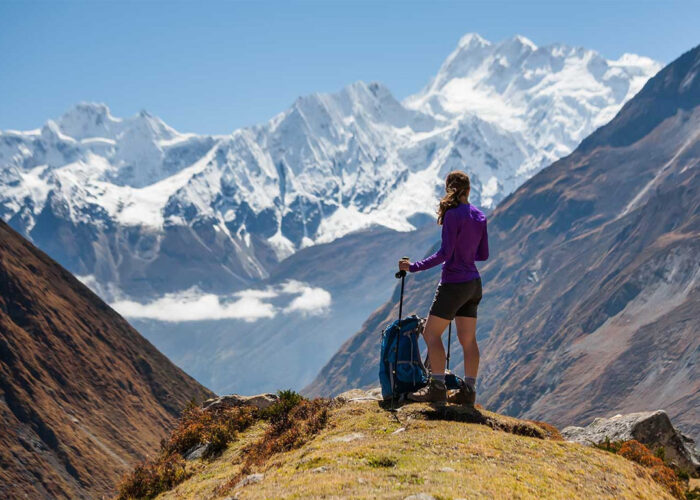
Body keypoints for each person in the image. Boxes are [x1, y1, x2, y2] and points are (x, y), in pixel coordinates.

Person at [398, 170, 488, 405]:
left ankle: (437, 387)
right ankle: (468, 392)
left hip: (454, 284)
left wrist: (414, 267)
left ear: (449, 189)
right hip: (473, 284)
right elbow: (484, 253)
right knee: (468, 340)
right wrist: (466, 254)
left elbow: (444, 254)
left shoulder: (452, 216)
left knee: (430, 333)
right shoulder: (479, 216)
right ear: (469, 190)